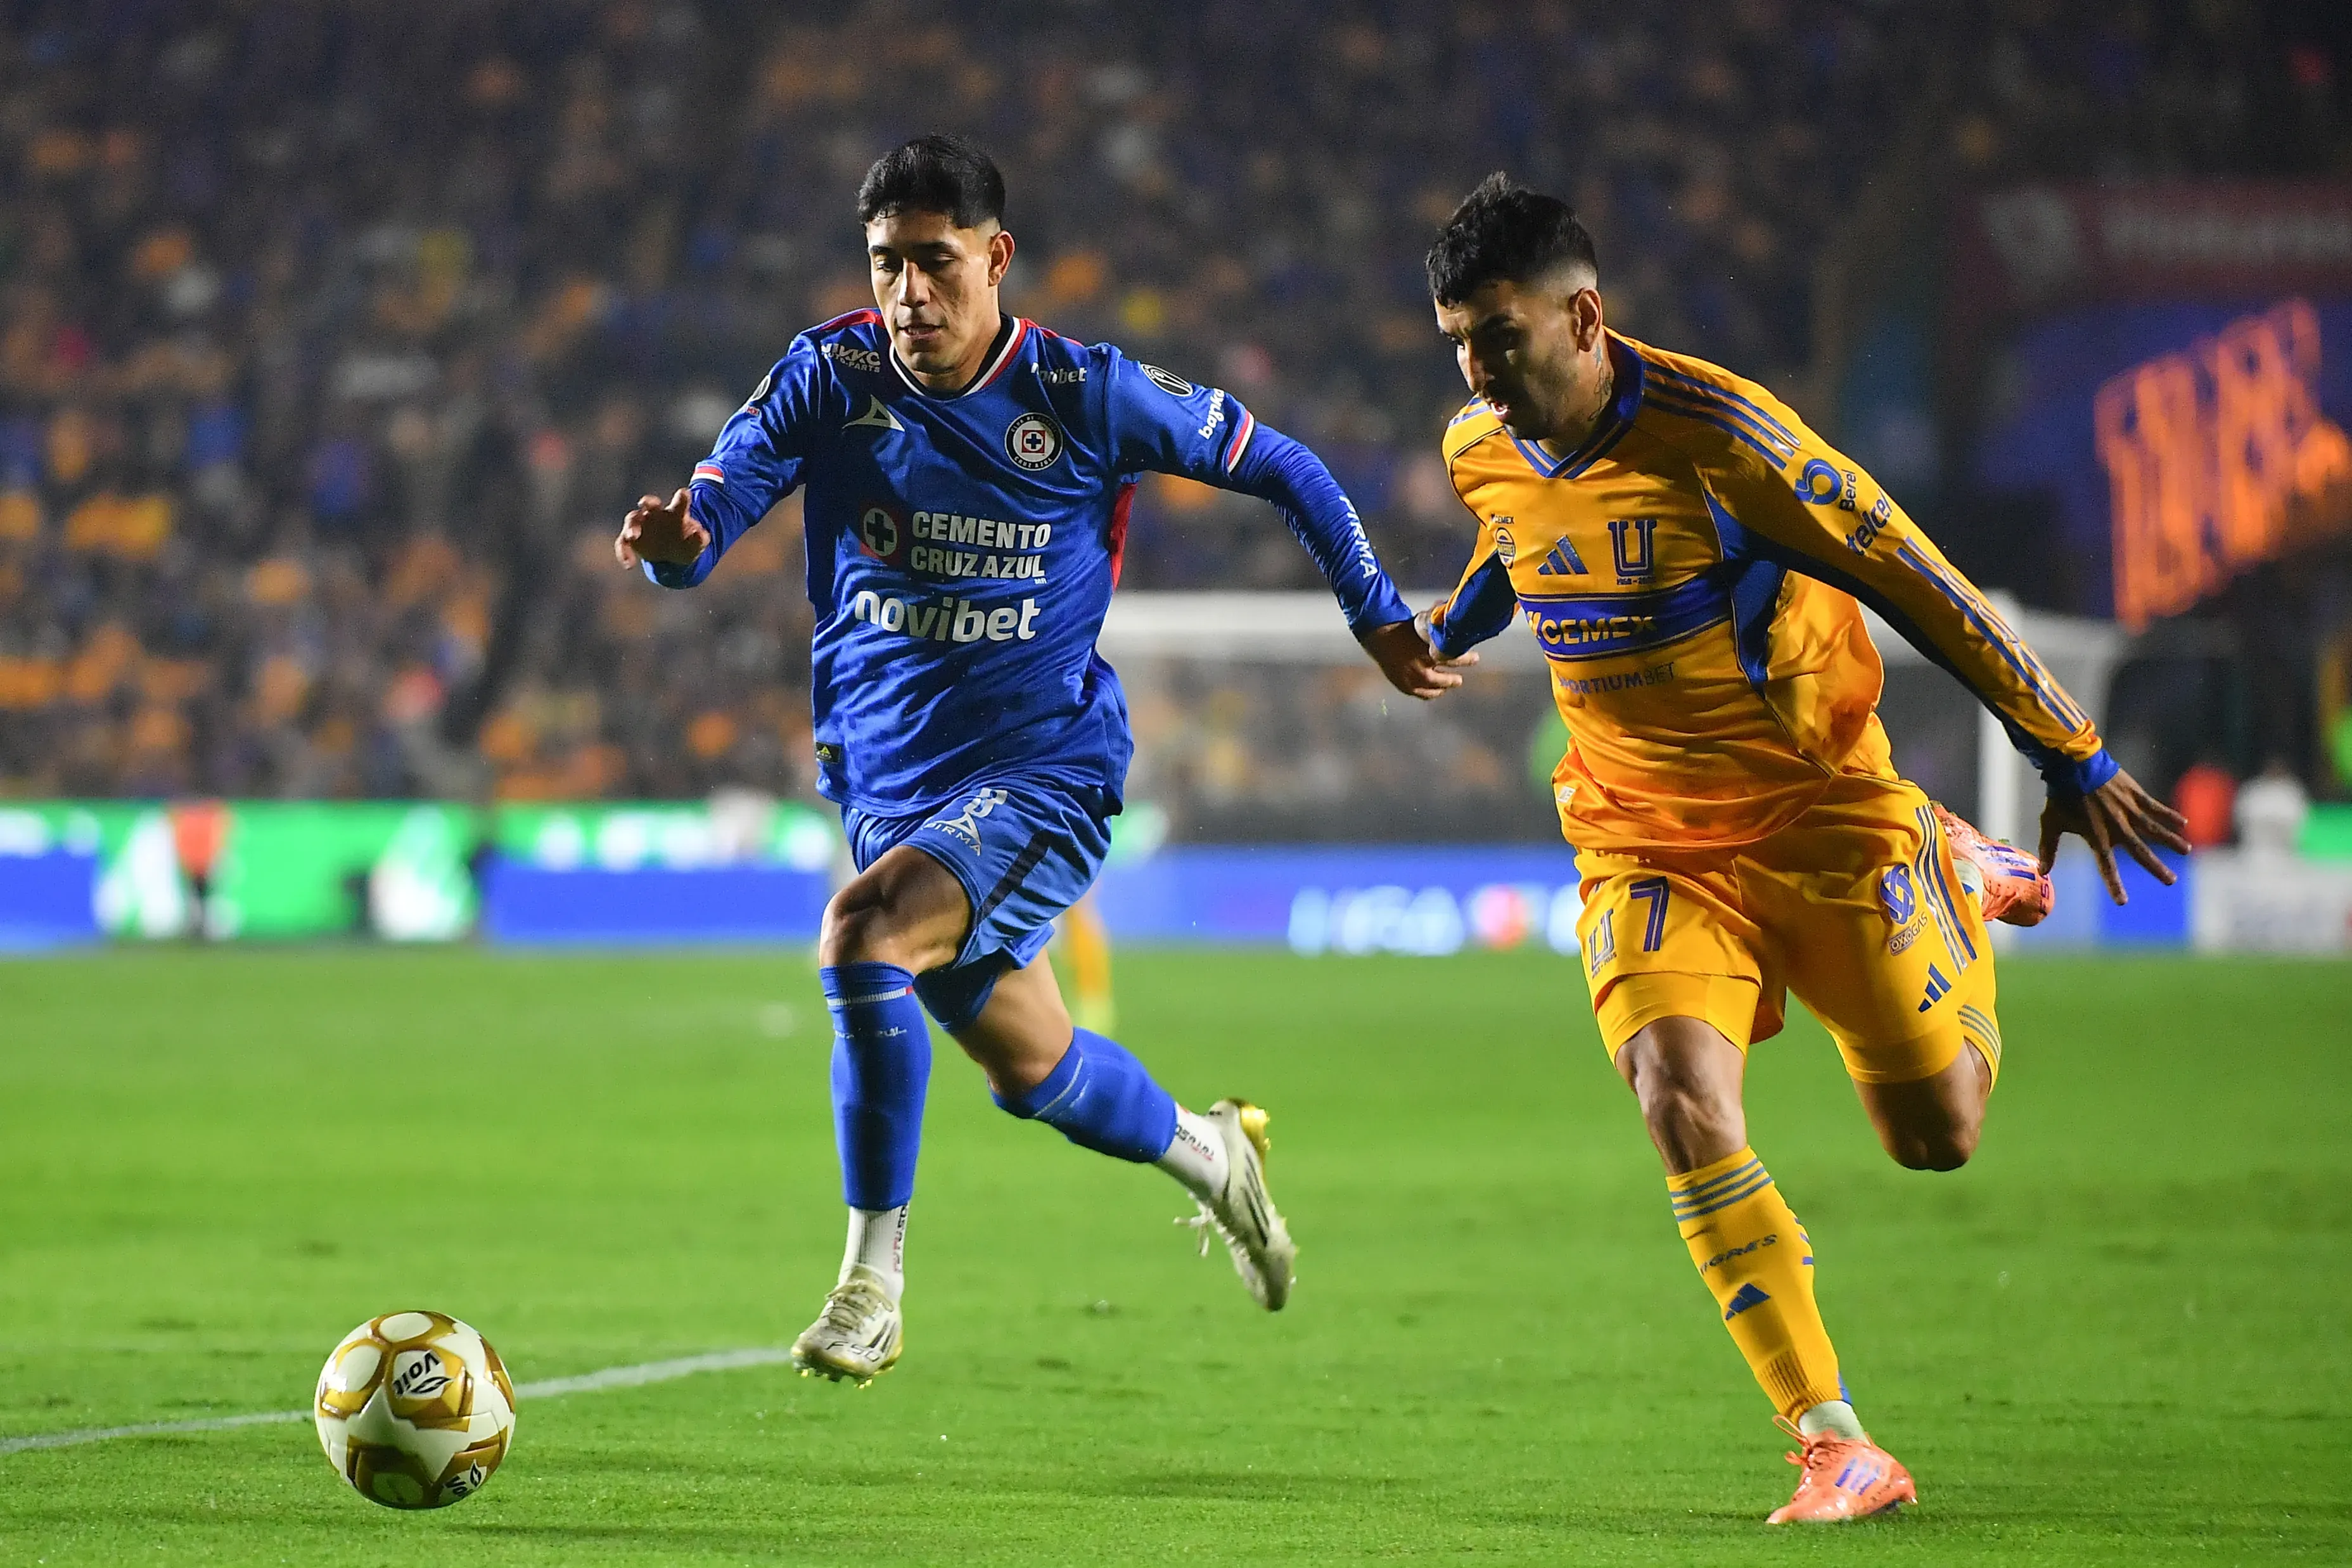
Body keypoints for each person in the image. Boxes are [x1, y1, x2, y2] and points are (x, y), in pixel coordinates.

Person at [615, 136, 1459, 1386]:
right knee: (1036, 1072)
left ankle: (870, 1283)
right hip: (888, 785)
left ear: (995, 258)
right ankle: (1211, 1153)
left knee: (860, 936)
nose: (908, 293)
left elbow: (1283, 465)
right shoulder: (828, 375)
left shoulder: (1084, 394)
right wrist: (675, 544)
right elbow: (708, 520)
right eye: (886, 263)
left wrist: (1375, 607)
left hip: (1045, 772)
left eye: (934, 263)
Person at [1410, 175, 2189, 1523]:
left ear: (1582, 316)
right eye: (1457, 346)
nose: (1477, 372)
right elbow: (1518, 541)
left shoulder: (1730, 444)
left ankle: (1942, 858)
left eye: (1498, 338)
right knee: (1674, 1094)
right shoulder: (1477, 440)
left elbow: (1912, 574)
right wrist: (1457, 625)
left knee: (1936, 1136)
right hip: (1638, 836)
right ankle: (1832, 1440)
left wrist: (2068, 748)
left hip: (1817, 818)